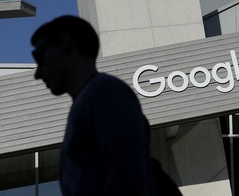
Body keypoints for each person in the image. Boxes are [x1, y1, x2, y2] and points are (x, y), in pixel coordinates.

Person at [31, 15, 182, 196]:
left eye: (39, 57)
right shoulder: (95, 97)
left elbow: (126, 175)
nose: (37, 73)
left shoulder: (104, 91)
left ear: (65, 42)